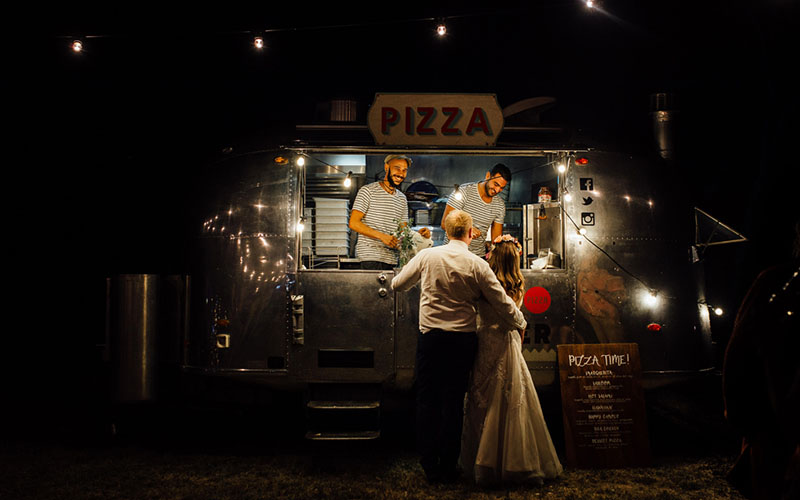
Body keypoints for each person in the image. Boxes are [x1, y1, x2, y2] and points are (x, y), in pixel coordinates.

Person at [391, 210, 527, 483]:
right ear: (469, 232)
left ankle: (429, 464)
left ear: (447, 231)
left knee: (428, 401)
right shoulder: (477, 264)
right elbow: (501, 301)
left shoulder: (428, 256)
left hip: (430, 338)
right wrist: (520, 321)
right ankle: (449, 464)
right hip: (462, 341)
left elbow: (397, 284)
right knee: (454, 402)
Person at [460, 234, 564, 486]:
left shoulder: (485, 283)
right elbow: (515, 319)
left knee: (482, 394)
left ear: (492, 256)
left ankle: (480, 459)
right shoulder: (517, 284)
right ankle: (513, 459)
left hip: (485, 339)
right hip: (508, 340)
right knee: (510, 396)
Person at [723, 222, 799, 500]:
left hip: (774, 430)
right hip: (774, 429)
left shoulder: (776, 283)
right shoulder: (776, 284)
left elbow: (738, 360)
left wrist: (744, 420)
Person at [349, 154, 430, 269]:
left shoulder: (402, 198)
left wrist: (419, 234)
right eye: (397, 168)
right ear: (386, 167)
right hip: (370, 257)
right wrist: (382, 236)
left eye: (404, 170)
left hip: (393, 259)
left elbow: (403, 231)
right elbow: (354, 223)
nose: (401, 174)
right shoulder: (368, 191)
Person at [441, 163, 511, 257]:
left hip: (478, 257)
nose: (497, 190)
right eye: (495, 184)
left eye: (502, 188)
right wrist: (467, 229)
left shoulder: (499, 205)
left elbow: (496, 239)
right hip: (452, 254)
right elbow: (445, 223)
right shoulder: (463, 192)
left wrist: (507, 248)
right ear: (488, 176)